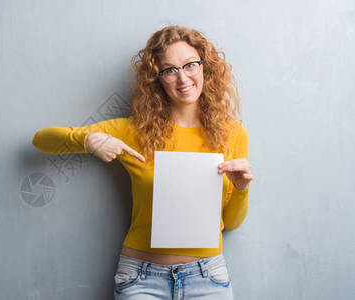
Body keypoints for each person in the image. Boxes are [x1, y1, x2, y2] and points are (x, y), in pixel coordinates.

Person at [32, 25, 253, 299]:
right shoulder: (134, 131)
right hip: (142, 280)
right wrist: (88, 142)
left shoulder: (233, 133)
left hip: (208, 279)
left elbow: (231, 223)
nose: (183, 78)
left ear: (205, 67)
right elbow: (41, 139)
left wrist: (241, 189)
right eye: (169, 70)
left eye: (190, 65)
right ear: (156, 79)